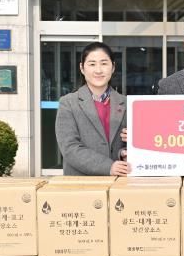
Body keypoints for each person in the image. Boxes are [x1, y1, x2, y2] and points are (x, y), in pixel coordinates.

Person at [55, 42, 130, 176]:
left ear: (113, 67)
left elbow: (127, 146)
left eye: (104, 63)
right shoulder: (68, 103)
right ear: (82, 68)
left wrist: (125, 152)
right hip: (81, 182)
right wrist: (108, 166)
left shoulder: (127, 103)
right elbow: (70, 148)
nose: (98, 70)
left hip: (119, 181)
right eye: (92, 64)